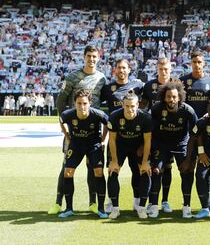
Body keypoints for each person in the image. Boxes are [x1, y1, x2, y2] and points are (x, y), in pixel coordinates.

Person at [48, 45, 107, 215]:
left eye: (94, 56)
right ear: (84, 57)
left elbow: (103, 103)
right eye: (89, 56)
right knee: (67, 166)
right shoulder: (73, 76)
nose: (91, 59)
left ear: (98, 58)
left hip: (93, 131)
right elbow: (61, 100)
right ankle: (59, 203)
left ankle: (93, 203)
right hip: (74, 129)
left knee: (94, 167)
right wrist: (66, 123)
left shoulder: (101, 78)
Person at [148, 81, 197, 218]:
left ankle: (186, 206)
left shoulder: (188, 111)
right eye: (169, 96)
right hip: (161, 144)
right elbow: (150, 132)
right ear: (164, 97)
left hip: (181, 144)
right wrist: (150, 154)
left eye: (174, 97)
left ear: (180, 97)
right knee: (156, 171)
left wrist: (192, 157)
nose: (171, 100)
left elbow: (196, 133)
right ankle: (154, 205)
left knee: (186, 172)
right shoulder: (157, 109)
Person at [101, 58, 144, 213]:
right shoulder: (108, 88)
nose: (121, 70)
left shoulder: (138, 86)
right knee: (113, 170)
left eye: (124, 68)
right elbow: (94, 104)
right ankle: (112, 202)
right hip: (116, 139)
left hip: (135, 138)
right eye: (119, 68)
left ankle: (137, 202)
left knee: (137, 171)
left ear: (129, 70)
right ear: (115, 70)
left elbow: (151, 98)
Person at [57, 89, 108, 219]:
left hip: (93, 146)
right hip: (76, 146)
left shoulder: (98, 114)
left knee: (98, 172)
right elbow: (61, 121)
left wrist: (103, 140)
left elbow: (108, 124)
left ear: (90, 103)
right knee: (67, 172)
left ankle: (101, 208)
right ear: (75, 103)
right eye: (79, 103)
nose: (82, 106)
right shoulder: (68, 114)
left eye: (84, 103)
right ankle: (69, 209)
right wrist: (67, 135)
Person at [180, 51, 210, 212]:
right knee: (189, 166)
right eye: (194, 61)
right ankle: (187, 203)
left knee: (205, 167)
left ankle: (207, 202)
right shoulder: (183, 81)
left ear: (204, 63)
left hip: (206, 132)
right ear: (191, 63)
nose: (197, 64)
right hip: (188, 133)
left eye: (199, 62)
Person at [141, 58, 179, 213]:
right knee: (156, 168)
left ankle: (165, 201)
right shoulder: (149, 86)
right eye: (161, 69)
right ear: (157, 69)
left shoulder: (177, 84)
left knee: (168, 168)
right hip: (155, 134)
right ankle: (152, 201)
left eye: (166, 69)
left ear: (170, 70)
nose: (163, 72)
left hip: (172, 133)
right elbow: (143, 108)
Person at [107, 92, 152, 219]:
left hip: (138, 147)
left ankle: (141, 207)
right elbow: (111, 139)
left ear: (138, 105)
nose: (130, 109)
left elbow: (148, 140)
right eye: (127, 106)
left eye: (132, 106)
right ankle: (115, 208)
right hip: (119, 146)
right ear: (123, 105)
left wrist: (144, 162)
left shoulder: (146, 117)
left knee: (144, 172)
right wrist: (114, 160)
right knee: (112, 171)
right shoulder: (114, 116)